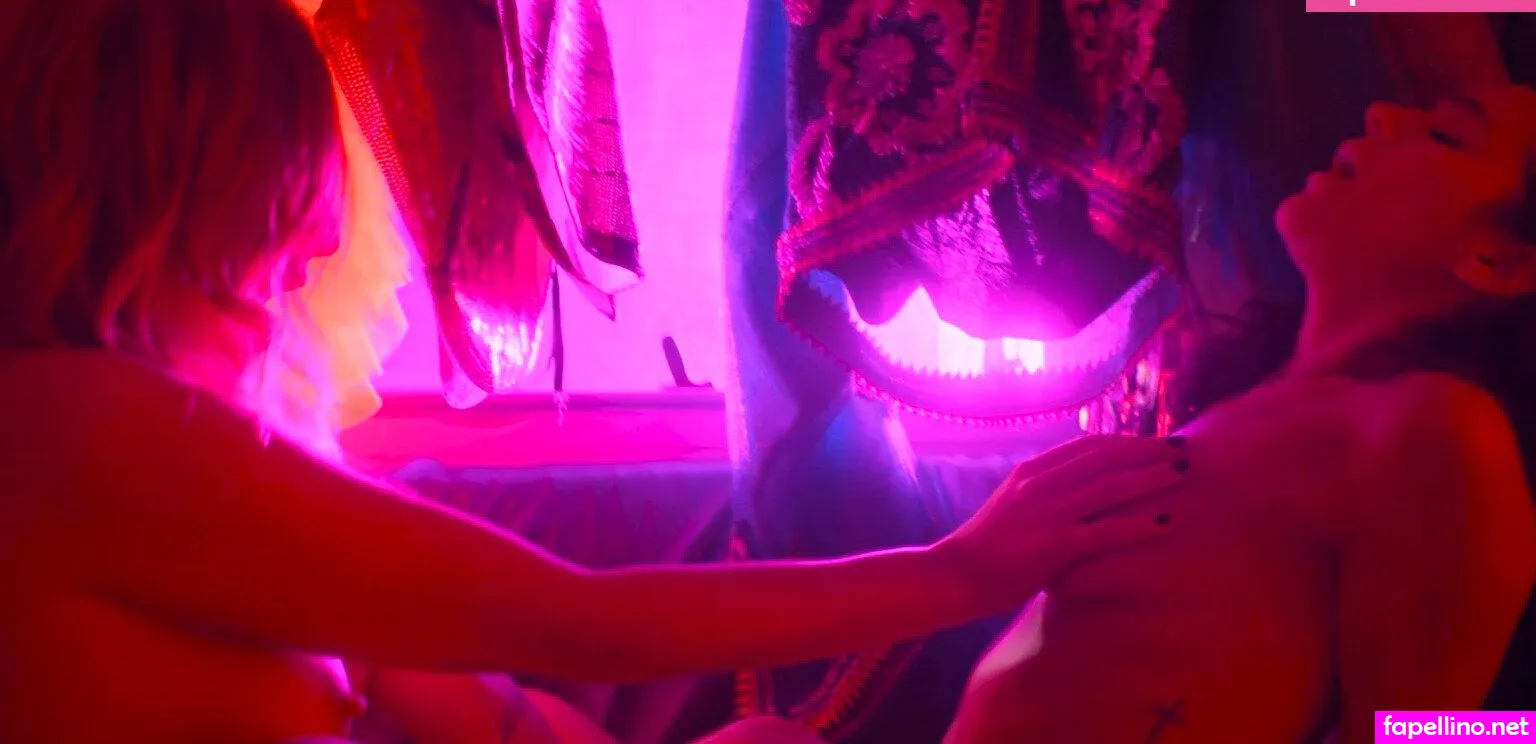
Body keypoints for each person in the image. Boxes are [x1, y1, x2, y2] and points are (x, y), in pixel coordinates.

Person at [0, 1, 1179, 742]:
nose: (320, 246)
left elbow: (495, 715)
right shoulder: (70, 430)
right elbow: (582, 626)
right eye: (284, 190)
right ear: (158, 187)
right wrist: (962, 571)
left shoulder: (189, 453)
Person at [939, 85, 1536, 744]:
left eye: (1447, 135)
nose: (1382, 113)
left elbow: (1428, 730)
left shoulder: (1442, 426)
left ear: (1499, 260)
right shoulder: (1252, 404)